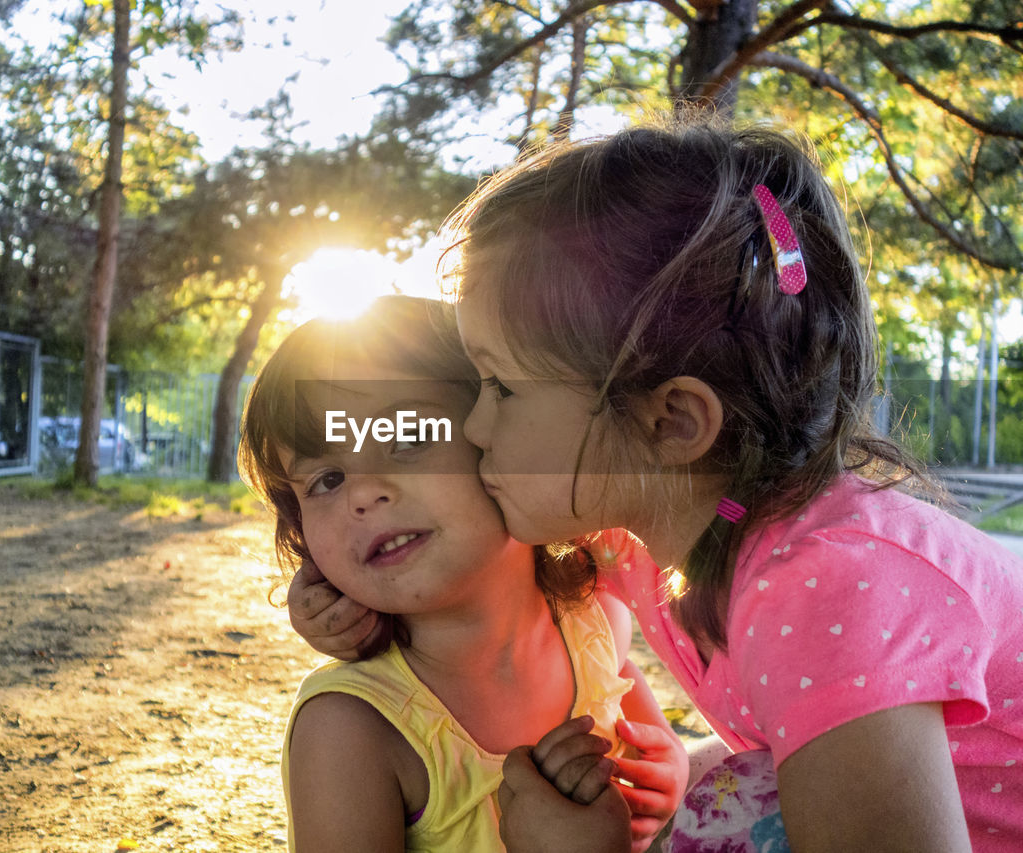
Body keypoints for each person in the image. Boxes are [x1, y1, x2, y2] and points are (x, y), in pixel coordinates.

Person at [287, 119, 1023, 852]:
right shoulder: (675, 518)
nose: (472, 428)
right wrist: (335, 586)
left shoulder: (822, 584)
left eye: (500, 387)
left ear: (670, 422)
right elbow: (491, 546)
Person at [238, 295, 688, 852]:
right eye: (327, 479)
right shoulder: (351, 732)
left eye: (406, 437)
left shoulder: (595, 621)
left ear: (502, 436)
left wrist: (667, 783)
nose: (364, 491)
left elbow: (653, 749)